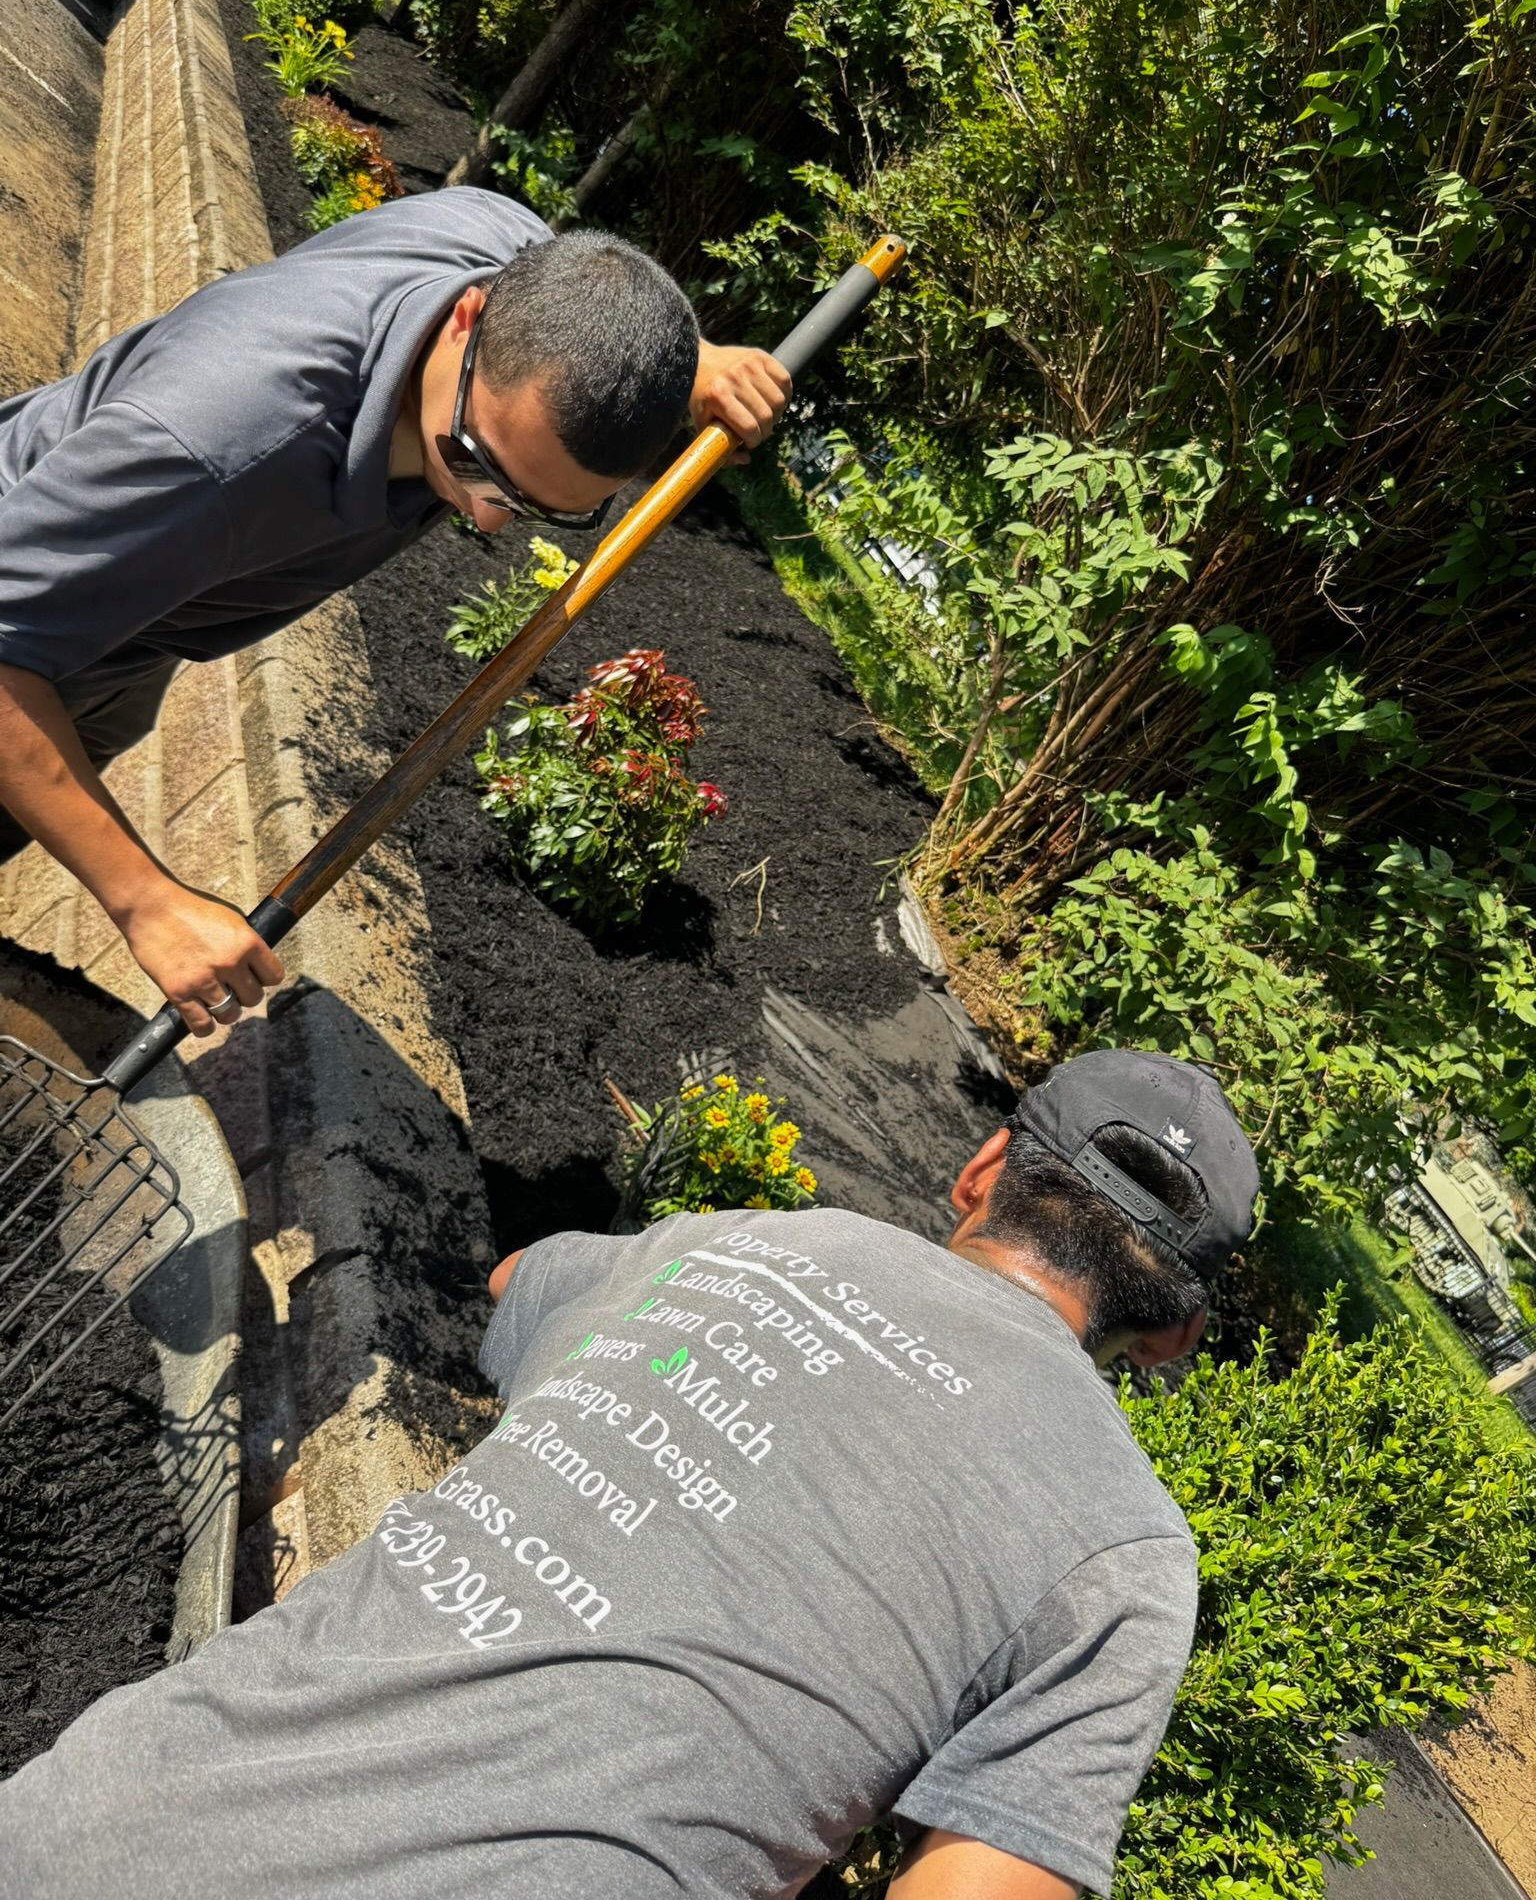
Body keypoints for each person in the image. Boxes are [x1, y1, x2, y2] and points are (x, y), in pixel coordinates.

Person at [0, 1048, 1260, 1899]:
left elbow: (513, 1286)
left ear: (983, 1168)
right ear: (1175, 1329)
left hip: (99, 1820)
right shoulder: (1125, 1554)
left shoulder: (747, 1243)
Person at [0, 189, 789, 1034]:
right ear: (467, 319)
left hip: (119, 628)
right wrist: (145, 900)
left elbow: (579, 274)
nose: (487, 517)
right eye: (478, 463)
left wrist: (689, 362)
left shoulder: (497, 250)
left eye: (540, 507)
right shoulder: (221, 446)